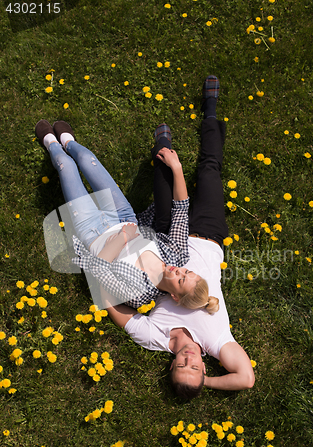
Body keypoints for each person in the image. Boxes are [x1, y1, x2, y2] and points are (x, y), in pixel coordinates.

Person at [100, 75, 255, 399]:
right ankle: (210, 110)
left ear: (171, 366)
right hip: (209, 235)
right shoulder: (216, 341)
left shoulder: (158, 339)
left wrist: (100, 279)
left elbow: (120, 313)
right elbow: (245, 378)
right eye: (196, 367)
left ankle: (162, 148)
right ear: (203, 365)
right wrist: (206, 382)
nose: (189, 359)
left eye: (182, 365)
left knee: (165, 201)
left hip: (169, 239)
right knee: (210, 170)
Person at [35, 118, 218, 312]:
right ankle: (67, 141)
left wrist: (123, 237)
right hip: (122, 215)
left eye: (181, 280)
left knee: (65, 165)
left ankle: (51, 143)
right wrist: (177, 168)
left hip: (91, 231)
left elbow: (97, 270)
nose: (179, 270)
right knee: (87, 160)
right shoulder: (177, 254)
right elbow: (181, 211)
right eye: (187, 271)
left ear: (175, 296)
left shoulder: (139, 295)